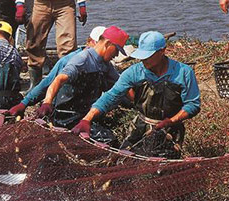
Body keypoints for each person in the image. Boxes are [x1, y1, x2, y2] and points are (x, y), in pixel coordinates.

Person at [71, 31, 201, 159]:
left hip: (170, 129)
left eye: (148, 56)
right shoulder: (134, 72)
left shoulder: (183, 73)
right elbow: (111, 96)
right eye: (142, 56)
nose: (144, 60)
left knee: (160, 167)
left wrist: (171, 121)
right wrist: (87, 119)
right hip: (140, 125)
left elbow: (193, 104)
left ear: (162, 51)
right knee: (125, 160)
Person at [32, 26, 128, 142]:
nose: (117, 55)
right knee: (108, 140)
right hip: (67, 117)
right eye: (116, 50)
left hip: (84, 113)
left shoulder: (105, 65)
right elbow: (58, 79)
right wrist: (47, 102)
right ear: (107, 44)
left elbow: (120, 86)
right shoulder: (82, 59)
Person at [8, 25, 105, 117]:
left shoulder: (104, 64)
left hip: (87, 110)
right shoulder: (70, 60)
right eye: (98, 44)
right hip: (65, 110)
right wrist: (24, 103)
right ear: (90, 42)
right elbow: (46, 83)